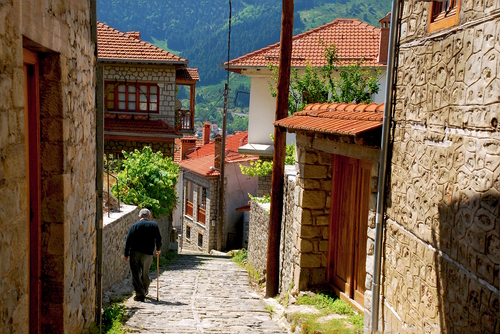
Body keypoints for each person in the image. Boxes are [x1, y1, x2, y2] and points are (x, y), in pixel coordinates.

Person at [124, 208, 162, 302]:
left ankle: (140, 294)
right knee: (145, 273)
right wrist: (158, 248)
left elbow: (128, 240)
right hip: (148, 254)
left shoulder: (134, 226)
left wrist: (126, 253)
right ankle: (144, 290)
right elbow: (158, 238)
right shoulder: (154, 225)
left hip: (135, 252)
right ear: (149, 217)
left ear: (139, 216)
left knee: (135, 273)